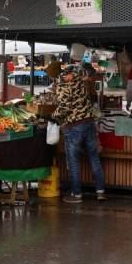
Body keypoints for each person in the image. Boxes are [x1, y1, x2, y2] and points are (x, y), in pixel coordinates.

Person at [52, 65, 106, 204]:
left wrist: (53, 116)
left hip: (74, 126)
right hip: (89, 123)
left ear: (64, 76)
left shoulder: (65, 85)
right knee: (94, 158)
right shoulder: (81, 83)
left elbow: (64, 107)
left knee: (73, 162)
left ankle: (76, 194)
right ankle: (100, 192)